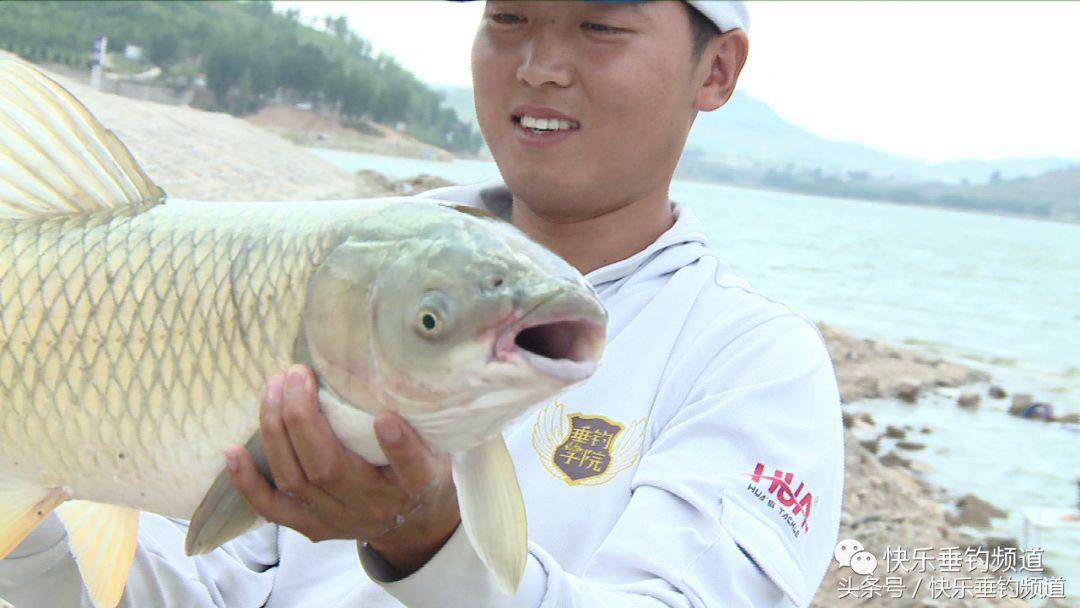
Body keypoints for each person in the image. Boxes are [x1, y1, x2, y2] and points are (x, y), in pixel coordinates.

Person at [0, 2, 844, 606]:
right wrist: (25, 533)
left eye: (600, 25)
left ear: (718, 68)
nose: (540, 65)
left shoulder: (751, 362)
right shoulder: (330, 274)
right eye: (509, 18)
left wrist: (429, 546)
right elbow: (176, 585)